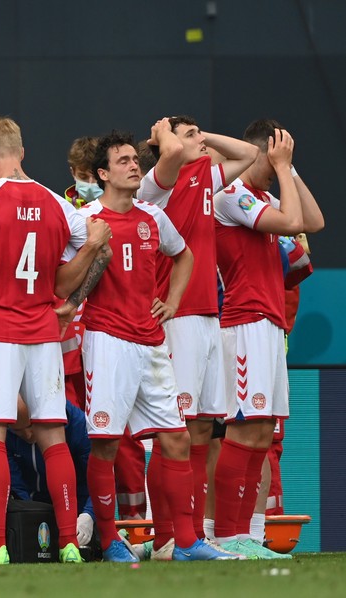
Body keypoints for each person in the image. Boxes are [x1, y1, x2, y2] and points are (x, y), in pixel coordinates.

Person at [0, 116, 113, 565]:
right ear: (23, 152)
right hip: (45, 333)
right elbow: (80, 268)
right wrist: (85, 257)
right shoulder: (59, 205)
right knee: (52, 434)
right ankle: (69, 542)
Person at [77, 131, 238, 562]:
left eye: (135, 159)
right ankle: (109, 539)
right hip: (107, 342)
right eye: (124, 161)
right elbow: (65, 280)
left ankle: (185, 542)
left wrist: (172, 302)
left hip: (151, 342)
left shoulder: (152, 216)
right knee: (106, 444)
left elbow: (183, 254)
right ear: (102, 173)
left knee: (177, 439)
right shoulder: (86, 220)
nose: (134, 165)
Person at [137, 116, 258, 556]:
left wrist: (201, 137)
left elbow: (249, 154)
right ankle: (167, 535)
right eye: (191, 135)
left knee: (203, 429)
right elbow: (170, 151)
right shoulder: (158, 182)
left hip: (209, 313)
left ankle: (192, 536)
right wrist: (166, 135)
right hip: (178, 314)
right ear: (167, 143)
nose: (200, 142)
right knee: (174, 428)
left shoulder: (205, 175)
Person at [211, 121, 323, 558]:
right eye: (274, 157)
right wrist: (280, 166)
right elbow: (294, 220)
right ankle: (226, 534)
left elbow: (312, 221)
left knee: (260, 433)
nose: (279, 164)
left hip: (270, 323)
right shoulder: (231, 195)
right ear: (258, 154)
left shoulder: (264, 197)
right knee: (241, 430)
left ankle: (251, 534)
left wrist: (289, 171)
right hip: (242, 322)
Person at [7, 397, 96, 548]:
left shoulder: (79, 425)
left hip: (77, 510)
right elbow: (16, 484)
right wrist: (29, 515)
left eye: (30, 426)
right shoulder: (3, 430)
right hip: (33, 508)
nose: (27, 435)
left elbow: (98, 477)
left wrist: (89, 515)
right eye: (18, 431)